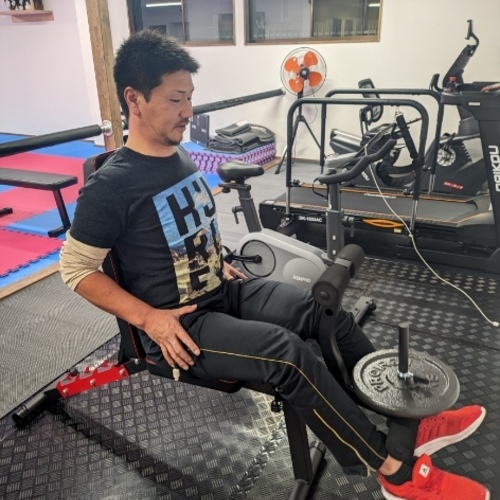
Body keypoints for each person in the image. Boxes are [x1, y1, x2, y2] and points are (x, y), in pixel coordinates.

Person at [59, 30, 490, 500]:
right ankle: (393, 471)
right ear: (134, 99)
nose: (188, 110)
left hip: (222, 291)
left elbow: (182, 231)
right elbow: (75, 269)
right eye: (175, 99)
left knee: (326, 313)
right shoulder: (111, 186)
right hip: (181, 328)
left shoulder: (177, 154)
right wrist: (149, 320)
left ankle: (409, 422)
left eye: (190, 97)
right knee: (288, 355)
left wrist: (216, 261)